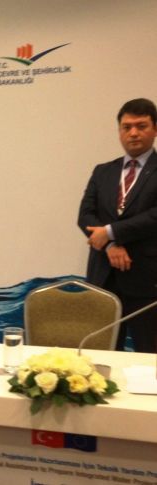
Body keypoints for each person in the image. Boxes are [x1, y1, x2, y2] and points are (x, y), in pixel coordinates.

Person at [78, 98, 157, 353]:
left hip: (147, 282)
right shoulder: (103, 171)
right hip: (104, 277)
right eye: (126, 127)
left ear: (155, 129)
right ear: (119, 131)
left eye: (141, 126)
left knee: (149, 357)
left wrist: (111, 232)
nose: (133, 133)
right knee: (100, 355)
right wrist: (110, 244)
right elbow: (85, 215)